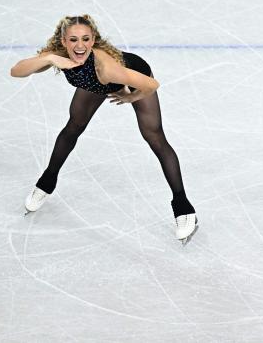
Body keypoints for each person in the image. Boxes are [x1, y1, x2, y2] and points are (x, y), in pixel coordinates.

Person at [10, 15, 197, 243]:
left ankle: (183, 207)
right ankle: (47, 182)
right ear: (63, 40)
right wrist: (49, 58)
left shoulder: (106, 68)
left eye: (86, 39)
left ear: (93, 40)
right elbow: (17, 71)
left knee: (154, 136)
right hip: (94, 83)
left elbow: (151, 85)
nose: (80, 46)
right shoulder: (58, 55)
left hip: (133, 75)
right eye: (73, 39)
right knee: (74, 126)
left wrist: (131, 96)